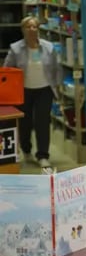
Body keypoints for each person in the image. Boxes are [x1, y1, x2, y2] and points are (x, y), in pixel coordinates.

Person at [3, 16, 62, 168]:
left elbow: (57, 68)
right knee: (25, 123)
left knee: (42, 122)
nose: (32, 30)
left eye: (35, 26)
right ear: (23, 29)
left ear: (38, 29)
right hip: (23, 91)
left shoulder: (49, 47)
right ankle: (26, 149)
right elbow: (7, 71)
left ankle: (43, 155)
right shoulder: (15, 49)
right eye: (28, 27)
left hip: (44, 89)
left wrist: (57, 86)